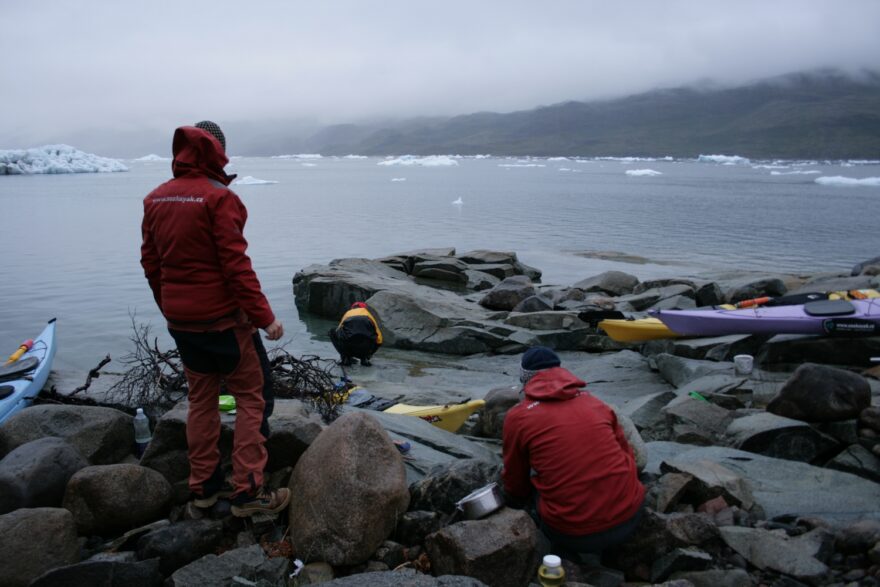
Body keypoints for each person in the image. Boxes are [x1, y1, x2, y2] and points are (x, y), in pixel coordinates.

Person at [140, 120, 290, 517]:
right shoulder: (220, 198)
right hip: (225, 323)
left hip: (182, 322)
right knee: (252, 400)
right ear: (217, 152)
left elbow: (151, 264)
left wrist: (171, 306)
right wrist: (265, 318)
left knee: (201, 402)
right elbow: (235, 266)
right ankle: (249, 493)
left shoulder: (155, 199)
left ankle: (203, 489)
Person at [502, 346, 645, 559]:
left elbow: (515, 483)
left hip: (573, 535)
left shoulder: (518, 417)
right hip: (631, 517)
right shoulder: (597, 404)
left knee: (534, 481)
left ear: (525, 381)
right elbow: (628, 457)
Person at [328, 302, 383, 366]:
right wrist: (370, 354)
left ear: (353, 307)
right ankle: (365, 359)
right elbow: (380, 339)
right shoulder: (369, 315)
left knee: (332, 332)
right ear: (364, 308)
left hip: (348, 348)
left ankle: (346, 358)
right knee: (374, 337)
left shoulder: (348, 313)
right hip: (365, 349)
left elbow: (338, 331)